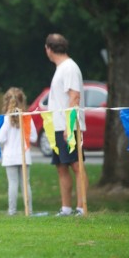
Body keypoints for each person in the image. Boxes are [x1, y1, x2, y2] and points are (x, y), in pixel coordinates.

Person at [44, 34, 88, 216]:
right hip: (58, 126)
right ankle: (66, 208)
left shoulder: (69, 67)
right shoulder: (61, 68)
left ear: (48, 49)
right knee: (61, 166)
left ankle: (81, 207)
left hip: (69, 126)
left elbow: (74, 96)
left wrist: (70, 126)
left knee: (76, 166)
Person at [0, 87, 37, 216]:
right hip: (24, 155)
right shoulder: (27, 118)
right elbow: (34, 137)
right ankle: (29, 211)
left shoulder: (6, 119)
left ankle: (12, 211)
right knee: (26, 183)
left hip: (10, 156)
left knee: (13, 184)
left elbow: (1, 138)